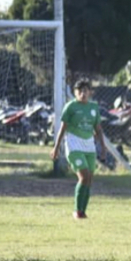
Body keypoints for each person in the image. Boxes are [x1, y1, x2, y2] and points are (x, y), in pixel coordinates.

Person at [50, 78, 107, 219]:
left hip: (89, 146)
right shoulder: (71, 107)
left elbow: (98, 129)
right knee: (83, 176)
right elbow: (62, 128)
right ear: (75, 92)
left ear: (90, 92)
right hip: (74, 144)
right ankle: (76, 210)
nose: (83, 93)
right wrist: (56, 147)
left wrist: (103, 146)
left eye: (86, 90)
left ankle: (83, 211)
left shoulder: (94, 108)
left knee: (89, 179)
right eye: (80, 91)